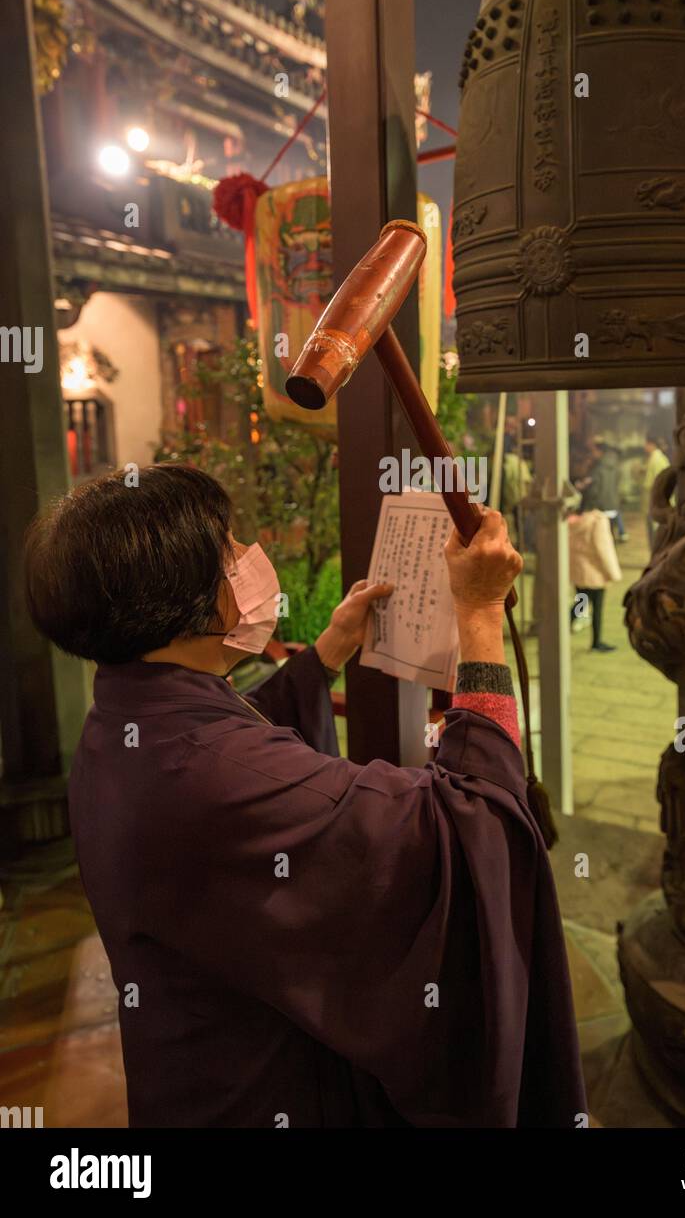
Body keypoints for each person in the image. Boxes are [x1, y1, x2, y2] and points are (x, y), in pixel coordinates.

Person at [24, 463, 585, 1128]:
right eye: (229, 548)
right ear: (187, 596)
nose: (247, 557)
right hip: (264, 1094)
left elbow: (228, 737)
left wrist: (323, 656)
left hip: (186, 1074)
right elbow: (467, 828)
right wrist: (480, 613)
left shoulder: (123, 717)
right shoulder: (215, 776)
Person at [567, 509, 622, 653]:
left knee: (581, 603)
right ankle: (596, 642)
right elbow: (603, 549)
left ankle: (563, 629)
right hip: (595, 572)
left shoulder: (576, 521)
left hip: (580, 570)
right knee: (596, 608)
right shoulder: (599, 521)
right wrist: (613, 573)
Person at [576, 438, 627, 542]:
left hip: (601, 506)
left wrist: (588, 503)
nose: (592, 453)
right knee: (610, 533)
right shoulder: (614, 465)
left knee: (602, 537)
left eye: (594, 451)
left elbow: (593, 488)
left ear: (600, 451)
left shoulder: (598, 467)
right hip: (613, 504)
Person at [643, 432, 671, 552]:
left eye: (645, 444)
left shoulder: (655, 459)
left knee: (656, 535)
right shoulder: (658, 458)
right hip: (658, 503)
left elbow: (652, 484)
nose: (644, 447)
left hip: (656, 503)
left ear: (650, 444)